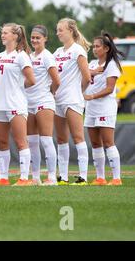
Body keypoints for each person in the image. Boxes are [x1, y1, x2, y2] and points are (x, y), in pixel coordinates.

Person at [0, 23, 36, 187]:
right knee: (2, 142)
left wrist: (16, 88)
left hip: (15, 104)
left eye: (6, 33)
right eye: (2, 32)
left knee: (20, 141)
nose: (2, 35)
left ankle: (24, 179)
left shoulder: (21, 56)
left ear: (15, 36)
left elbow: (31, 80)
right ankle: (3, 178)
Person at [54, 18, 91, 186]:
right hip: (57, 100)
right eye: (57, 30)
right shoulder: (57, 52)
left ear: (70, 31)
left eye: (61, 29)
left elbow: (87, 77)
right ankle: (63, 176)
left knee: (78, 137)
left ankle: (83, 177)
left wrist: (78, 93)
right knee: (61, 139)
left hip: (72, 99)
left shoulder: (78, 50)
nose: (58, 33)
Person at [84, 32, 123, 186]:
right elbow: (84, 80)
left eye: (97, 46)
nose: (94, 49)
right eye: (94, 46)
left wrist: (92, 96)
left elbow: (109, 88)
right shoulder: (92, 63)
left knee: (108, 142)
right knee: (95, 143)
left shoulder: (112, 64)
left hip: (105, 107)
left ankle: (116, 178)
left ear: (106, 48)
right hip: (91, 108)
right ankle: (100, 177)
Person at [26, 25, 60, 186]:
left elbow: (57, 80)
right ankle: (35, 178)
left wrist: (49, 93)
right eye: (32, 37)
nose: (34, 40)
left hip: (43, 101)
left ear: (45, 39)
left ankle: (52, 177)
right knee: (32, 141)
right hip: (28, 102)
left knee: (46, 140)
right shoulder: (29, 56)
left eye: (38, 37)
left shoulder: (47, 56)